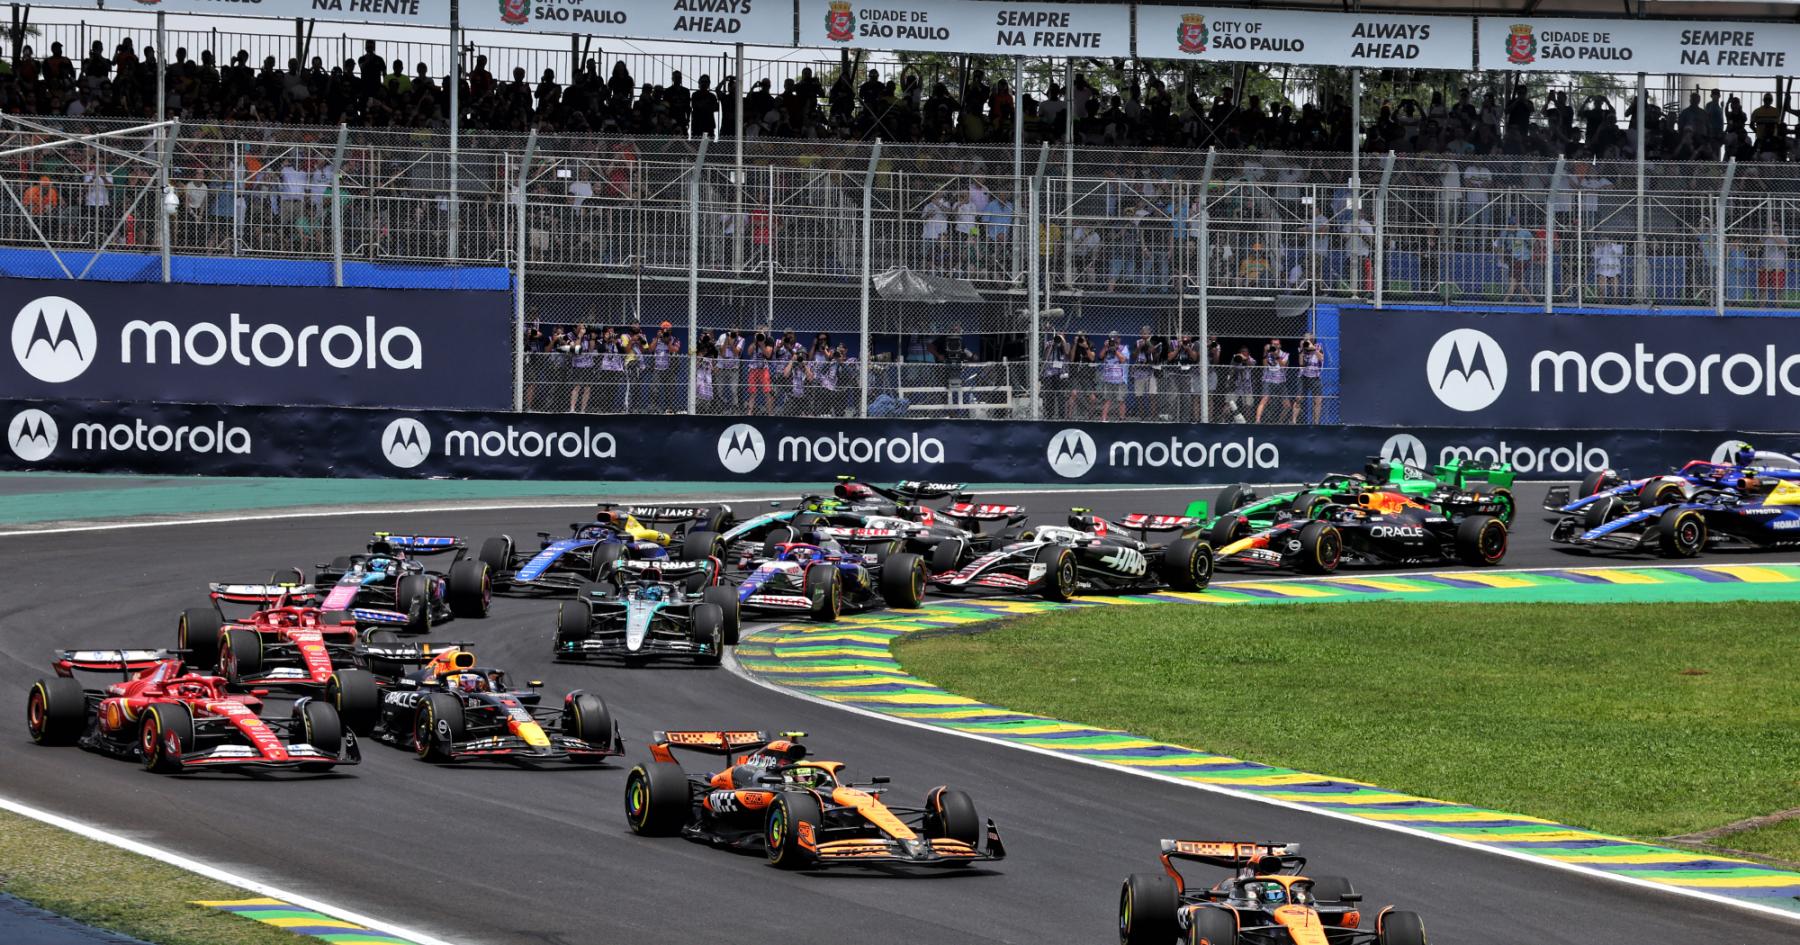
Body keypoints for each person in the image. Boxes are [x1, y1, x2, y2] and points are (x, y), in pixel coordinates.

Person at [1255, 338, 1290, 423]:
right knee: (1265, 399)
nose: (1275, 346)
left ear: (1280, 345)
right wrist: (1265, 352)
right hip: (1268, 379)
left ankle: (1280, 422)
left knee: (1287, 405)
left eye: (1277, 344)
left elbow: (1283, 365)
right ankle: (1257, 420)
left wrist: (1276, 356)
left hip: (1280, 380)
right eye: (1273, 344)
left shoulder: (1285, 354)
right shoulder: (1268, 353)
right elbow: (1264, 365)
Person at [1297, 333, 1326, 424]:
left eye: (1309, 339)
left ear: (1313, 340)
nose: (1307, 341)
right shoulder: (1302, 348)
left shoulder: (1318, 346)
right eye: (1306, 339)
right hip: (1303, 377)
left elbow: (1321, 358)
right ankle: (1294, 421)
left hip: (1315, 377)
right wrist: (1302, 350)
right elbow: (1301, 364)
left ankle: (1316, 423)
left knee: (1318, 401)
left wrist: (1313, 348)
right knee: (1298, 399)